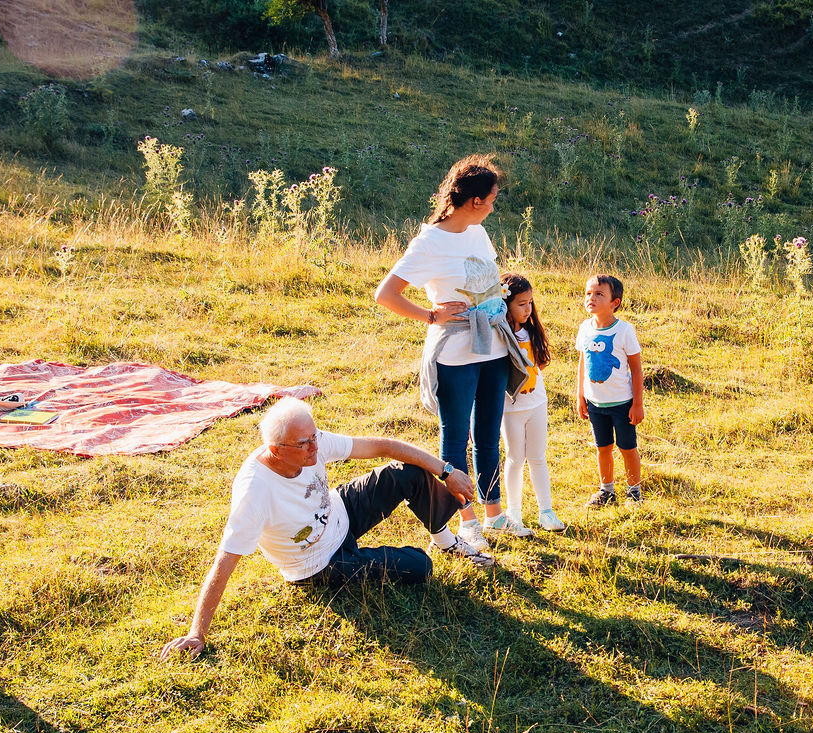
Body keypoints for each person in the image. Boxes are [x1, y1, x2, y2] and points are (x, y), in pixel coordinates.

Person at [157, 398, 478, 658]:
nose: (315, 446)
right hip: (318, 563)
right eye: (305, 443)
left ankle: (444, 538)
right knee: (420, 566)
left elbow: (383, 446)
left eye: (314, 437)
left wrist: (446, 470)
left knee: (404, 474)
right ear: (277, 450)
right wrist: (196, 633)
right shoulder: (254, 493)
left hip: (341, 510)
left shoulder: (311, 442)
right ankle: (416, 556)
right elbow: (223, 564)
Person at [372, 156, 526, 562]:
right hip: (456, 353)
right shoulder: (429, 243)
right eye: (491, 198)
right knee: (457, 438)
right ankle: (467, 522)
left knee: (489, 434)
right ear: (474, 200)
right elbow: (385, 293)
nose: (494, 205)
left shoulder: (477, 231)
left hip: (494, 346)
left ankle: (495, 514)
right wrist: (429, 315)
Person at [498, 274, 566, 535]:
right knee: (515, 459)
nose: (527, 309)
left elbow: (540, 362)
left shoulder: (532, 330)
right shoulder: (500, 334)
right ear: (506, 304)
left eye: (530, 303)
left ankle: (546, 511)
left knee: (538, 457)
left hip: (537, 403)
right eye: (521, 304)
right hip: (510, 408)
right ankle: (513, 512)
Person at [574, 273, 644, 507]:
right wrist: (580, 396)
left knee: (627, 447)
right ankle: (606, 491)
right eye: (588, 293)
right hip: (595, 403)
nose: (591, 298)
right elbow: (583, 363)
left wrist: (637, 403)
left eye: (599, 294)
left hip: (622, 403)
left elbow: (636, 369)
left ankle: (634, 491)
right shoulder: (584, 328)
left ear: (615, 303)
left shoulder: (625, 330)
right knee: (602, 447)